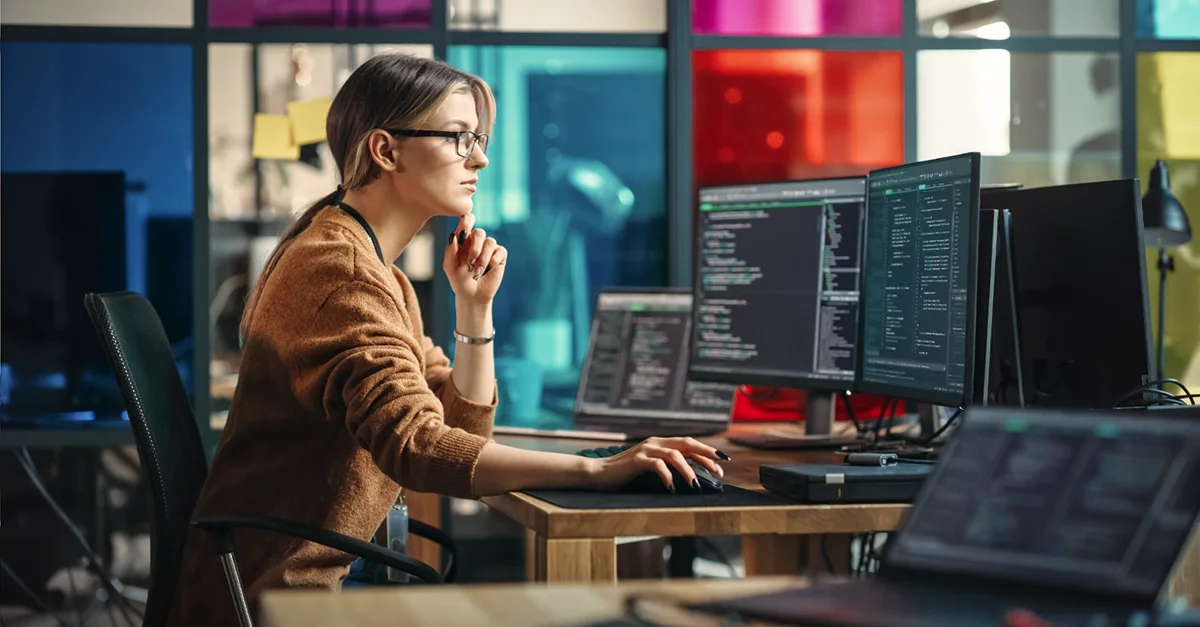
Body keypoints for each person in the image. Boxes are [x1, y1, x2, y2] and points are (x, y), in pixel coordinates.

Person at [167, 53, 726, 626]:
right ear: (385, 150)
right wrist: (598, 471)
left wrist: (473, 307)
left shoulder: (376, 269)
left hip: (301, 585)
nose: (479, 157)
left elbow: (459, 431)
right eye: (459, 137)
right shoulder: (340, 271)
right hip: (275, 599)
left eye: (477, 138)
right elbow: (418, 450)